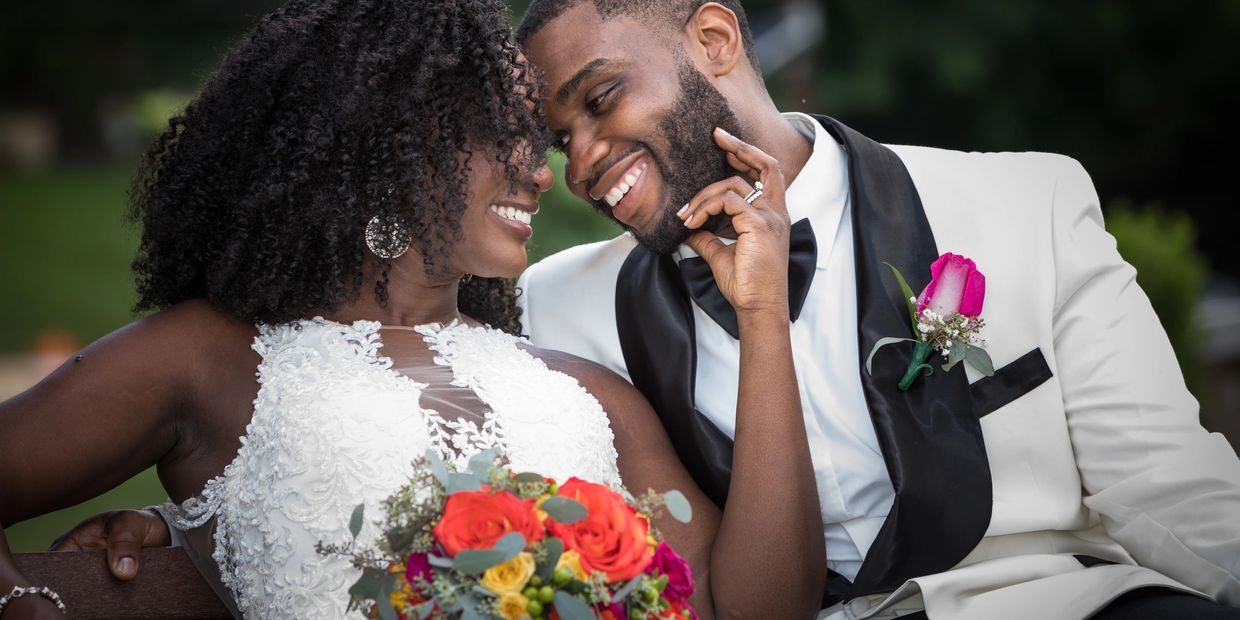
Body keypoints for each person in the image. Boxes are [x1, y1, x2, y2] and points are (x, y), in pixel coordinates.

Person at [0, 0, 827, 617]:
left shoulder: (588, 391)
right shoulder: (202, 359)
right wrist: (25, 602)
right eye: (500, 136)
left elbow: (754, 610)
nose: (543, 172)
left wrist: (760, 319)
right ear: (386, 146)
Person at [504, 1, 1240, 619]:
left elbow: (1170, 491)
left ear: (715, 41)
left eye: (600, 100)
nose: (583, 163)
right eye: (561, 139)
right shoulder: (563, 307)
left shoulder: (1026, 205)